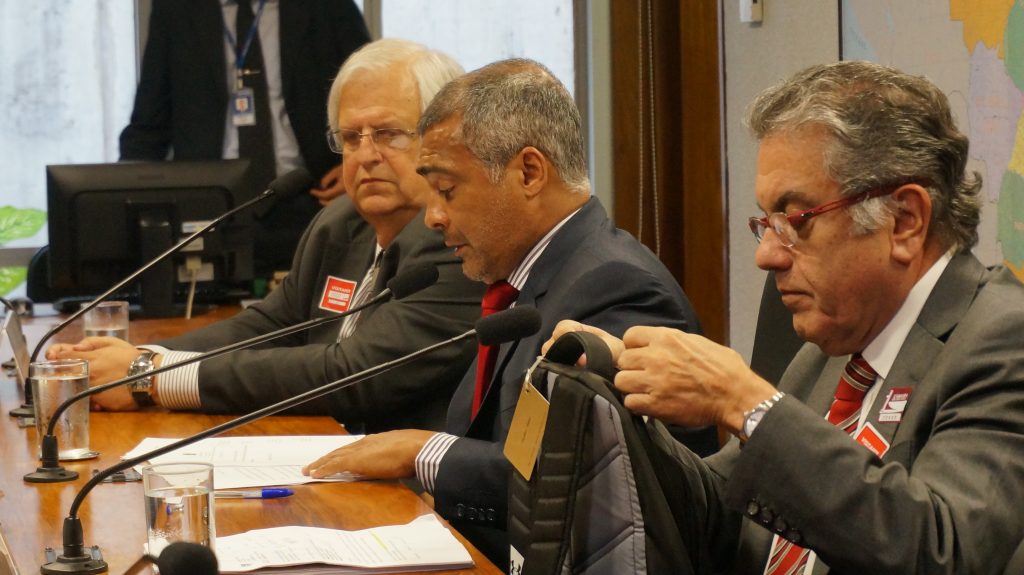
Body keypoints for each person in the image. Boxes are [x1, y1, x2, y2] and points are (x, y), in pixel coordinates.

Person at [549, 60, 1024, 574]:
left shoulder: (1002, 339)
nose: (767, 255)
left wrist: (744, 402)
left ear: (904, 220)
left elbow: (942, 552)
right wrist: (622, 397)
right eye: (767, 223)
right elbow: (719, 518)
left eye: (796, 220)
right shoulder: (836, 342)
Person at [302, 58, 703, 567]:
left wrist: (421, 453)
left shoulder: (618, 287)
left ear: (529, 172)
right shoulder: (524, 281)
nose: (433, 217)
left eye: (447, 191)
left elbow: (577, 480)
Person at [47, 39, 486, 434]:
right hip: (317, 451)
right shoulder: (340, 224)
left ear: (440, 140)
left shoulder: (457, 242)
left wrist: (150, 376)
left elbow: (351, 373)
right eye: (351, 138)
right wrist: (133, 359)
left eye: (388, 135)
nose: (366, 155)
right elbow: (270, 326)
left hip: (410, 484)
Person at [119, 0, 371, 275]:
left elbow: (370, 95)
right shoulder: (176, 9)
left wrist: (356, 163)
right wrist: (122, 204)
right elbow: (149, 126)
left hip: (311, 198)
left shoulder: (327, 6)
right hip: (212, 209)